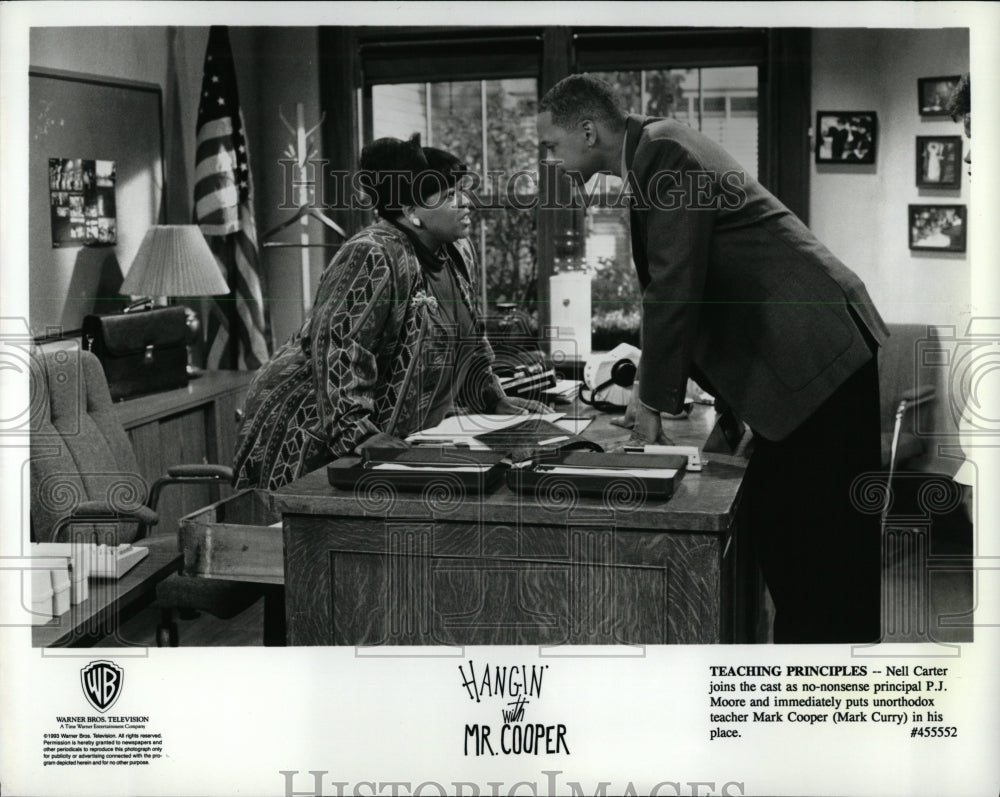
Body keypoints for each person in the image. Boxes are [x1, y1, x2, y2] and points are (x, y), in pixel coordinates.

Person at [536, 74, 889, 643]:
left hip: (819, 354)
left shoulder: (665, 153)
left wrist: (650, 404)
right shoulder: (652, 152)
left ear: (588, 129)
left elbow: (675, 285)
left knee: (815, 552)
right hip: (812, 355)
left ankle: (821, 699)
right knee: (791, 538)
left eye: (551, 146)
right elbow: (678, 285)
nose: (549, 160)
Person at [233, 137, 544, 491]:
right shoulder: (372, 253)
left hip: (396, 438)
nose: (466, 201)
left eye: (464, 189)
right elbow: (339, 345)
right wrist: (359, 435)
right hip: (312, 432)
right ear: (412, 210)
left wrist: (492, 398)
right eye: (450, 194)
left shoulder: (459, 250)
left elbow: (470, 339)